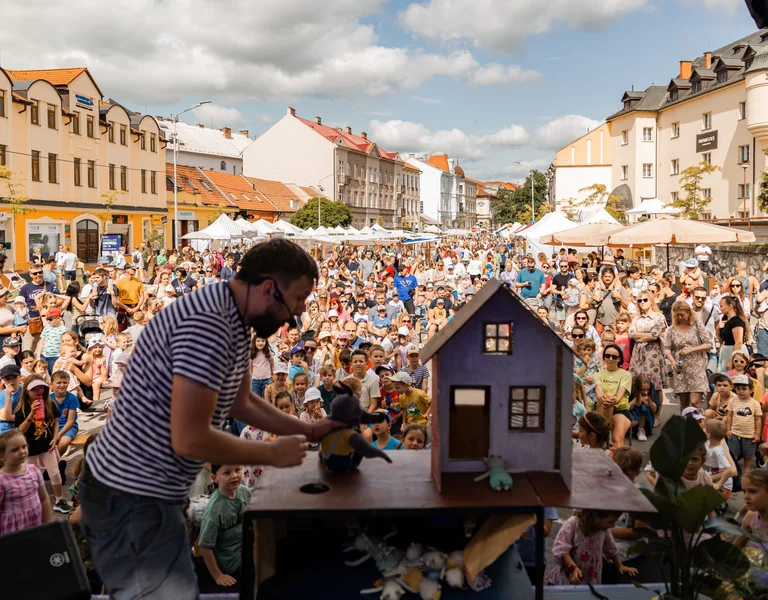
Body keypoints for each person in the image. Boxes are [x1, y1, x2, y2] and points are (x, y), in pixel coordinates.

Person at [79, 238, 337, 598]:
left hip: (151, 493)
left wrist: (309, 429)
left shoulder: (234, 318)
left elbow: (240, 401)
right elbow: (189, 437)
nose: (297, 313)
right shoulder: (208, 324)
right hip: (129, 494)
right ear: (268, 288)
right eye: (298, 298)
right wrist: (271, 454)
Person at [14, 375, 72, 513]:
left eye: (41, 388)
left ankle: (59, 500)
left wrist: (55, 437)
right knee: (30, 476)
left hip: (47, 444)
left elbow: (55, 421)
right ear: (26, 391)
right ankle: (32, 501)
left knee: (55, 472)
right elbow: (20, 431)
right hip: (29, 447)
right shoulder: (21, 408)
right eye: (34, 389)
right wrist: (31, 414)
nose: (38, 391)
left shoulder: (48, 403)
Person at [547, 509, 636, 585]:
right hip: (568, 576)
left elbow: (610, 548)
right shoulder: (573, 523)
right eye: (611, 522)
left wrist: (620, 566)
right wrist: (573, 569)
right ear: (596, 517)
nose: (612, 526)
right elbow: (561, 548)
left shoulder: (604, 530)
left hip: (590, 577)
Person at [198, 464, 250, 590]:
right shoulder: (214, 511)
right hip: (231, 562)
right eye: (227, 473)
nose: (234, 476)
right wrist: (218, 576)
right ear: (215, 478)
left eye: (237, 470)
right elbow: (205, 547)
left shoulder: (243, 491)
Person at [0, 429, 53, 535]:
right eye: (14, 450)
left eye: (24, 446)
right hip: (13, 533)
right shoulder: (1, 480)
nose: (22, 451)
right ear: (2, 456)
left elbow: (44, 499)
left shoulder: (33, 470)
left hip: (36, 525)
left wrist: (47, 524)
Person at [663, 301, 712, 411]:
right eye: (677, 315)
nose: (680, 317)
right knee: (684, 403)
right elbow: (666, 348)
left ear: (689, 313)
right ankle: (686, 425)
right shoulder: (671, 329)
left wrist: (691, 350)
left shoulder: (696, 325)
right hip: (681, 370)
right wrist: (672, 361)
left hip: (697, 368)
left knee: (695, 402)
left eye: (682, 315)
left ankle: (698, 425)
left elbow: (709, 344)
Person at [629, 291, 668, 396]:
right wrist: (648, 335)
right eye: (639, 300)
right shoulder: (636, 318)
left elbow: (655, 335)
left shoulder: (659, 317)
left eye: (645, 300)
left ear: (651, 301)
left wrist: (640, 336)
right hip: (638, 354)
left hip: (653, 354)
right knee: (636, 384)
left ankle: (657, 412)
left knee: (655, 386)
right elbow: (631, 334)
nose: (642, 302)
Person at [593, 345, 632, 447]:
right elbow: (598, 390)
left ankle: (604, 435)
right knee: (608, 396)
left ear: (619, 359)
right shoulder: (599, 374)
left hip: (620, 410)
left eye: (614, 357)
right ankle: (605, 432)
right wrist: (603, 398)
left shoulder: (625, 374)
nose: (610, 359)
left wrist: (614, 400)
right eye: (608, 356)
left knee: (617, 440)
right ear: (604, 357)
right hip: (602, 408)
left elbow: (621, 393)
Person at [725, 374, 762, 475]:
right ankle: (733, 474)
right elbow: (729, 416)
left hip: (749, 435)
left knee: (748, 456)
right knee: (733, 454)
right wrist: (728, 429)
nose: (741, 391)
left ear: (751, 390)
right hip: (734, 433)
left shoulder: (755, 404)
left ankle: (747, 474)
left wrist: (757, 434)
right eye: (738, 388)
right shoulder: (732, 401)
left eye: (744, 388)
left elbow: (758, 420)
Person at [717, 295, 746, 372]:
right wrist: (717, 329)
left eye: (722, 306)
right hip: (726, 350)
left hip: (734, 352)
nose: (720, 308)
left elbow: (738, 342)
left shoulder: (736, 321)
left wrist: (732, 360)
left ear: (730, 306)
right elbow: (722, 340)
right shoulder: (725, 320)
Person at [0, 364, 23, 433]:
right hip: (4, 430)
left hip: (21, 428)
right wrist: (8, 396)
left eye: (14, 377)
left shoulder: (25, 392)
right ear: (2, 380)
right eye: (7, 379)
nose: (11, 381)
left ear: (20, 377)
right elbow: (6, 417)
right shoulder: (1, 395)